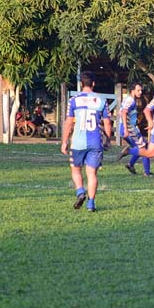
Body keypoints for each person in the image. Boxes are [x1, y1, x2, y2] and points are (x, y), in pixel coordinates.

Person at [61, 71, 112, 212]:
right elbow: (107, 122)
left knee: (76, 169)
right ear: (93, 83)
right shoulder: (101, 100)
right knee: (92, 174)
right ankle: (91, 203)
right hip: (95, 141)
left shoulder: (74, 100)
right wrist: (107, 139)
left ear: (81, 84)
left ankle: (80, 192)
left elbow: (69, 122)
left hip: (78, 142)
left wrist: (64, 141)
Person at [118, 82, 153, 177]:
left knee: (140, 148)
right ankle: (147, 172)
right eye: (138, 90)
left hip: (125, 128)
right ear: (132, 90)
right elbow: (124, 113)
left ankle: (130, 164)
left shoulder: (127, 99)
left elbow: (121, 112)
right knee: (144, 148)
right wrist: (126, 128)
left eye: (141, 90)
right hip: (130, 129)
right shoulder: (131, 101)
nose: (140, 92)